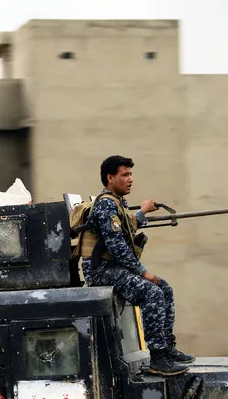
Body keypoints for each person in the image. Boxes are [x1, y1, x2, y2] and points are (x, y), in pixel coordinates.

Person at [82, 155, 194, 376]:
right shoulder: (105, 204)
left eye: (131, 174)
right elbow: (117, 246)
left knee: (165, 288)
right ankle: (157, 357)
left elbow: (127, 225)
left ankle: (166, 347)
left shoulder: (117, 202)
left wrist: (143, 212)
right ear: (110, 177)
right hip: (101, 271)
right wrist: (143, 272)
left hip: (114, 268)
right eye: (125, 175)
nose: (131, 179)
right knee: (152, 293)